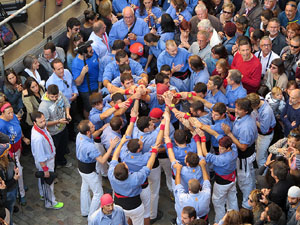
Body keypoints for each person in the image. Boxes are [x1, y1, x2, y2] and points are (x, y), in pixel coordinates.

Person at [76, 120, 119, 218]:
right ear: (87, 131)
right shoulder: (90, 147)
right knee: (98, 193)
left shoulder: (80, 135)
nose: (93, 126)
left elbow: (92, 136)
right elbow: (103, 160)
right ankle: (92, 217)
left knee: (85, 188)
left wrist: (101, 129)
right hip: (89, 171)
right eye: (91, 126)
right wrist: (111, 147)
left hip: (81, 167)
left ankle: (85, 211)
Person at [221, 98, 258, 209]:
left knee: (245, 181)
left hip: (244, 157)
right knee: (249, 177)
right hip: (245, 156)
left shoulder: (246, 127)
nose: (236, 110)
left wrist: (229, 134)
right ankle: (253, 194)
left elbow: (242, 147)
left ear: (246, 111)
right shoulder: (243, 116)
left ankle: (247, 205)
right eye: (236, 107)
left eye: (239, 109)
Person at [30, 111, 63, 209]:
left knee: (43, 181)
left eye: (44, 120)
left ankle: (42, 194)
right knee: (49, 182)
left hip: (48, 158)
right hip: (46, 162)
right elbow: (40, 156)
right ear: (34, 123)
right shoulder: (38, 138)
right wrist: (45, 170)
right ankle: (50, 202)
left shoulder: (40, 128)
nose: (44, 123)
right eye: (41, 122)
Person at [202, 136, 238, 223]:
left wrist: (203, 138)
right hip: (232, 179)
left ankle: (220, 222)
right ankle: (235, 219)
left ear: (228, 147)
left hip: (221, 183)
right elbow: (228, 141)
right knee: (232, 199)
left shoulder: (220, 159)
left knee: (218, 203)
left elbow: (204, 153)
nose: (219, 149)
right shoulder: (234, 150)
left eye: (222, 148)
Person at [0, 102, 30, 206]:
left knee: (18, 167)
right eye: (9, 113)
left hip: (18, 146)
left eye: (12, 112)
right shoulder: (1, 124)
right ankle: (21, 194)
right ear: (2, 113)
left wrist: (23, 137)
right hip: (9, 151)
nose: (11, 115)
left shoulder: (14, 118)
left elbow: (18, 128)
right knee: (18, 171)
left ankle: (19, 186)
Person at [38, 84, 71, 168]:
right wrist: (58, 121)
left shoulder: (59, 94)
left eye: (56, 96)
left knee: (63, 147)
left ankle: (62, 161)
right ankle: (54, 166)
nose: (55, 99)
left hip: (63, 127)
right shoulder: (43, 106)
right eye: (52, 97)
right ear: (47, 94)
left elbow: (66, 104)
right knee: (54, 151)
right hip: (53, 133)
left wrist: (67, 114)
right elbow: (44, 123)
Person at [72, 41, 101, 118]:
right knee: (90, 108)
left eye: (92, 50)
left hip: (97, 84)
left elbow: (97, 62)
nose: (93, 52)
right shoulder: (76, 63)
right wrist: (83, 73)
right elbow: (78, 83)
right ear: (84, 54)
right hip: (87, 90)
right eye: (90, 51)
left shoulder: (93, 53)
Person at [247, 93, 276, 167]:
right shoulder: (258, 98)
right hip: (258, 133)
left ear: (255, 106)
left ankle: (263, 174)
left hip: (265, 136)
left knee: (259, 159)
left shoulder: (266, 112)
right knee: (262, 153)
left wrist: (254, 121)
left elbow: (264, 130)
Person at [0, 143, 19, 225]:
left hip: (13, 188)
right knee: (8, 210)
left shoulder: (7, 158)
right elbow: (4, 186)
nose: (8, 151)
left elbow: (12, 163)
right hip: (8, 193)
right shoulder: (0, 170)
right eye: (6, 151)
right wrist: (14, 179)